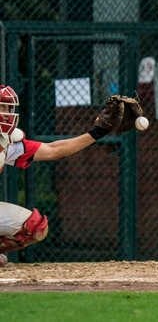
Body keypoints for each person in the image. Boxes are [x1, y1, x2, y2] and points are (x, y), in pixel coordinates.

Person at [1, 88, 144, 266]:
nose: (7, 114)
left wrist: (96, 133)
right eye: (3, 108)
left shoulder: (6, 142)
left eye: (9, 109)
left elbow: (54, 150)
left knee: (35, 227)